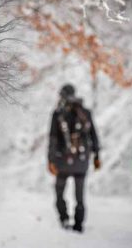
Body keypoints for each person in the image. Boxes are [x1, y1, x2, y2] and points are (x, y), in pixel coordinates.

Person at [47, 84, 101, 233]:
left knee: (59, 193)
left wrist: (50, 160)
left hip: (62, 161)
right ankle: (79, 224)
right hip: (81, 161)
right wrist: (97, 155)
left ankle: (64, 218)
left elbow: (52, 139)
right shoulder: (85, 112)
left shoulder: (57, 114)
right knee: (80, 196)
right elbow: (93, 135)